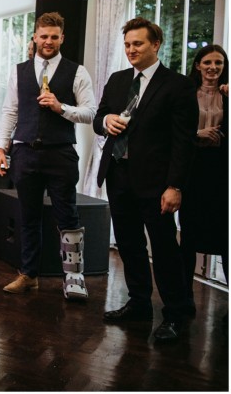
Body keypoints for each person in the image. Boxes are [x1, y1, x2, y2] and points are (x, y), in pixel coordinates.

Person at [94, 17, 198, 343]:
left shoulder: (177, 85)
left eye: (137, 44)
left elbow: (184, 143)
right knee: (129, 245)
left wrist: (175, 186)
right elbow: (99, 119)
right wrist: (106, 120)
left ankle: (177, 314)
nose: (131, 50)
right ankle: (139, 303)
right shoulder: (117, 79)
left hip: (157, 183)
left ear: (155, 44)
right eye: (127, 45)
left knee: (165, 250)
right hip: (118, 174)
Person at [0, 12, 96, 299]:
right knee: (28, 217)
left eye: (54, 36)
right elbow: (10, 111)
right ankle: (28, 275)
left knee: (68, 216)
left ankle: (74, 278)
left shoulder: (77, 72)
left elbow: (90, 113)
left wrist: (60, 107)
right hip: (25, 153)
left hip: (60, 153)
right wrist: (2, 148)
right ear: (35, 37)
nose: (48, 41)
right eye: (43, 36)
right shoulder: (18, 71)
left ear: (62, 38)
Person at [178, 44, 229, 313]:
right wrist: (197, 135)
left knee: (226, 235)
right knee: (189, 233)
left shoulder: (229, 95)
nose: (213, 68)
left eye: (218, 63)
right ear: (198, 65)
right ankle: (185, 297)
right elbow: (171, 130)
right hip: (192, 170)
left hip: (222, 174)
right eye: (207, 62)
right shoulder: (185, 93)